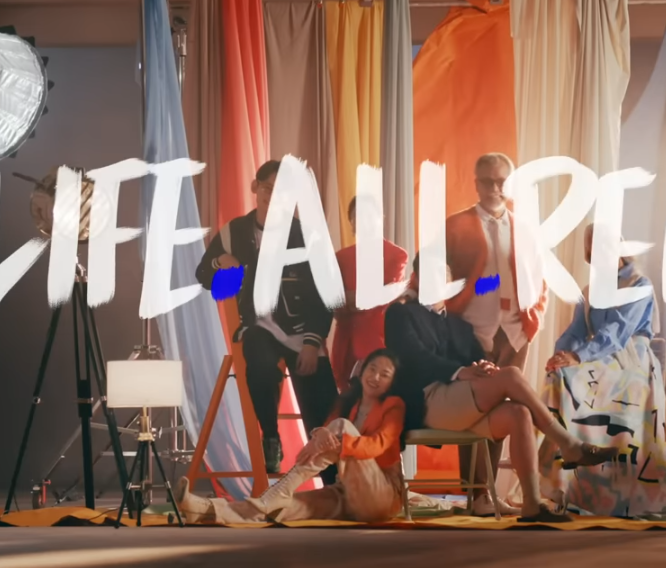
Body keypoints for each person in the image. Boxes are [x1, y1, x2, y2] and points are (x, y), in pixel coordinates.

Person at [385, 254, 618, 523]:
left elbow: (474, 358)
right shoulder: (400, 312)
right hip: (427, 401)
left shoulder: (458, 324)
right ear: (417, 278)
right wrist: (461, 371)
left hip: (460, 404)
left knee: (519, 413)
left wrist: (482, 366)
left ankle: (532, 504)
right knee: (511, 376)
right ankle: (568, 444)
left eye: (443, 275)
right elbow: (413, 357)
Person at [195, 159, 337, 477]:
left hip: (301, 332)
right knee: (258, 361)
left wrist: (312, 342)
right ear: (255, 188)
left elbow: (326, 294)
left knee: (321, 400)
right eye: (268, 188)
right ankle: (270, 438)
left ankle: (333, 480)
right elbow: (204, 275)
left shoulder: (307, 236)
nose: (273, 197)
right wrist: (220, 261)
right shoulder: (234, 232)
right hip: (257, 327)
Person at [175, 349, 409, 524]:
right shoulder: (348, 402)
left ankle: (282, 487)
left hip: (382, 496)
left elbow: (376, 445)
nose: (375, 377)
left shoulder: (394, 405)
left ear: (392, 382)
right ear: (362, 371)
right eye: (372, 369)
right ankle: (206, 510)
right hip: (348, 495)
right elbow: (326, 429)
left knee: (342, 426)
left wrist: (337, 441)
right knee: (278, 509)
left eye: (384, 374)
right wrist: (320, 434)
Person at [538, 225, 666, 518]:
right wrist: (560, 355)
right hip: (598, 357)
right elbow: (576, 331)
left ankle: (615, 487)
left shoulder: (639, 283)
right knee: (559, 377)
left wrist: (578, 355)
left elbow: (617, 331)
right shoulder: (590, 291)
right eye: (592, 248)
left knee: (581, 380)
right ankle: (563, 478)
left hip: (632, 361)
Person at [443, 153, 546, 371]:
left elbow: (540, 280)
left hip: (516, 335)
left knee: (513, 391)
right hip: (469, 333)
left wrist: (534, 318)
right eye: (487, 182)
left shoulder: (526, 230)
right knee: (472, 393)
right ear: (476, 185)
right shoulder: (454, 226)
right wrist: (410, 293)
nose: (495, 189)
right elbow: (428, 270)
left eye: (502, 182)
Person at [332, 195, 409, 392]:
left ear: (380, 218)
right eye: (357, 216)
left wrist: (350, 298)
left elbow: (386, 296)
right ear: (351, 223)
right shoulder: (341, 258)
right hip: (346, 338)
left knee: (376, 394)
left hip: (376, 338)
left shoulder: (396, 255)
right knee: (346, 398)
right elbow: (334, 303)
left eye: (368, 215)